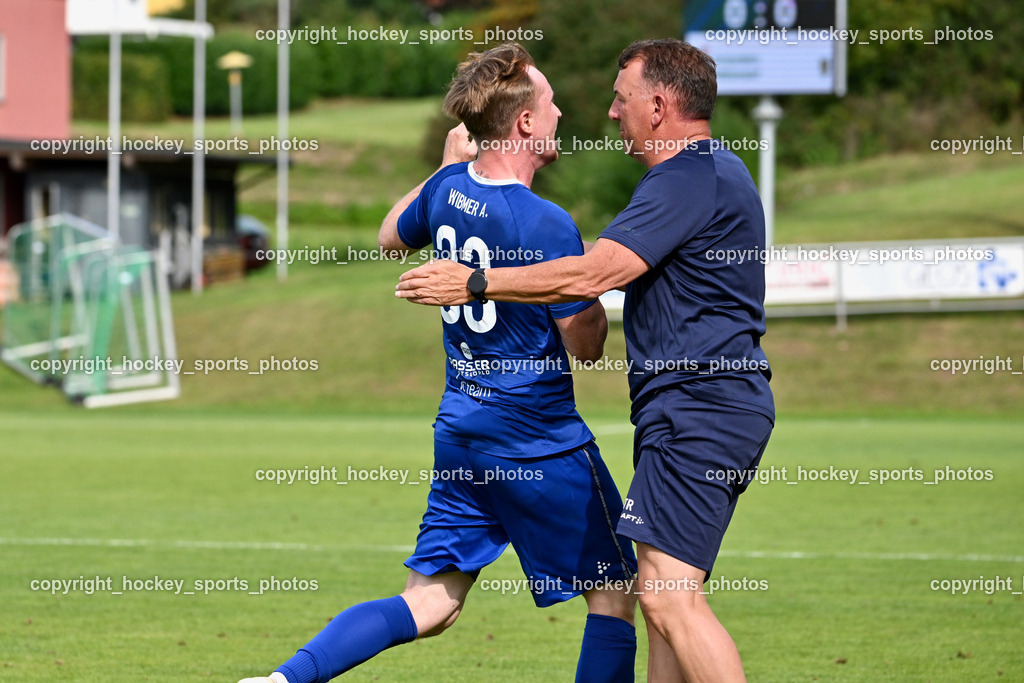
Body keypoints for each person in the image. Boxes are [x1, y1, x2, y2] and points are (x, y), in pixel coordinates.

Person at [239, 43, 637, 683]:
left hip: (463, 431)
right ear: (526, 124)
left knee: (430, 602)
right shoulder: (546, 221)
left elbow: (390, 234)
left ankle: (285, 680)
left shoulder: (450, 188)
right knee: (615, 592)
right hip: (536, 439)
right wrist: (591, 283)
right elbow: (586, 347)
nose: (562, 111)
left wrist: (446, 167)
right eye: (551, 100)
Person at [396, 38, 774, 682]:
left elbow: (597, 271)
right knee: (658, 598)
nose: (607, 112)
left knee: (667, 596)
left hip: (701, 407)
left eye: (621, 99)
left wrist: (476, 282)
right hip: (685, 409)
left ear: (658, 106)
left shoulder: (690, 176)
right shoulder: (694, 176)